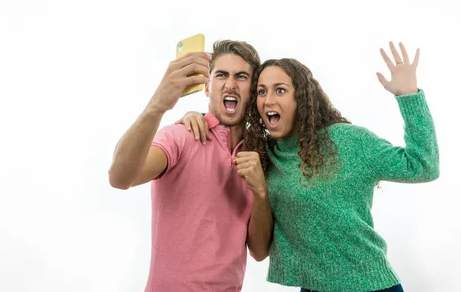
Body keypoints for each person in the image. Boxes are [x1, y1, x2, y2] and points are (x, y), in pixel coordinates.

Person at [179, 42, 440, 292]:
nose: (268, 100)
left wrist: (409, 97)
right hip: (312, 289)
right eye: (261, 91)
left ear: (300, 98)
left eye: (280, 90)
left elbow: (422, 166)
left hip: (371, 286)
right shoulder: (265, 155)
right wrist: (195, 117)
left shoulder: (349, 141)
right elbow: (228, 134)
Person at [107, 39, 272, 292]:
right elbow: (119, 178)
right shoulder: (181, 136)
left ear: (253, 90)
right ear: (207, 86)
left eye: (241, 77)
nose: (230, 84)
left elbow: (259, 252)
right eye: (221, 75)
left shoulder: (257, 157)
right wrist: (158, 105)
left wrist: (261, 192)